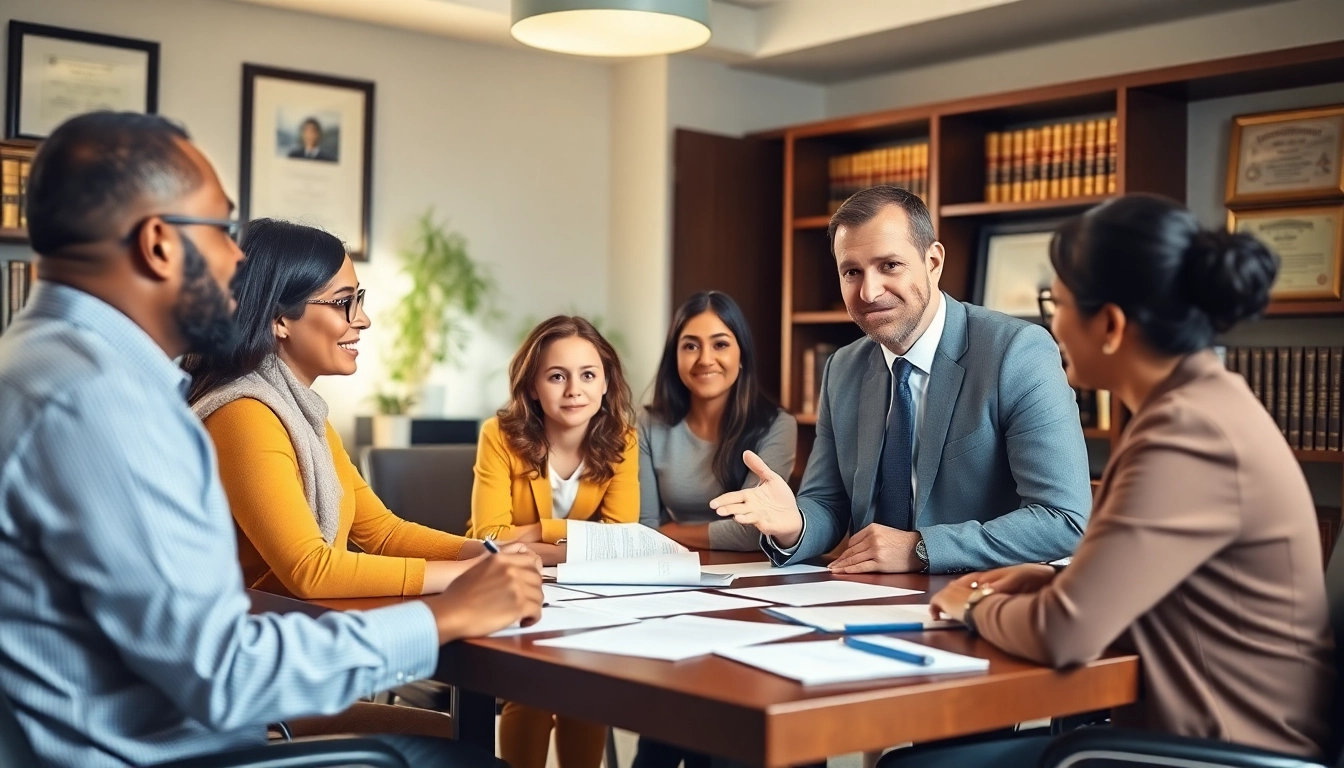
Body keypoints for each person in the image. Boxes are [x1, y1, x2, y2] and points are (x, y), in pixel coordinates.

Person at [0, 111, 542, 768]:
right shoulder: (101, 403)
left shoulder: (43, 365)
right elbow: (225, 673)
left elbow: (372, 533)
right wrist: (444, 616)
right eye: (224, 229)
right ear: (158, 242)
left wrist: (480, 564)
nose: (237, 259)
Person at [899, 194, 1336, 768]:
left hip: (1214, 753)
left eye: (1056, 301)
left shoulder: (1187, 433)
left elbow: (1064, 634)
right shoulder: (1199, 404)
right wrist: (1043, 583)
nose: (1049, 320)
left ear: (1109, 324)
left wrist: (972, 605)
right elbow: (1138, 588)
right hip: (1200, 735)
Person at [713, 184, 1091, 574]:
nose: (869, 291)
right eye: (852, 272)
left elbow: (1063, 519)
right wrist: (794, 525)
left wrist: (920, 549)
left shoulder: (1016, 352)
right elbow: (827, 503)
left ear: (933, 261)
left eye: (889, 265)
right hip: (862, 597)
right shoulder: (842, 368)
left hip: (979, 597)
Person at [182, 218, 497, 600]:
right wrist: (467, 574)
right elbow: (310, 571)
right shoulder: (243, 416)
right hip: (253, 641)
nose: (362, 319)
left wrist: (487, 554)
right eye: (344, 302)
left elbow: (382, 532)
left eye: (358, 300)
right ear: (279, 319)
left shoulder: (300, 413)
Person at [468, 315, 639, 768]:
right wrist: (585, 542)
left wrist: (540, 531)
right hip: (507, 586)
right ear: (531, 387)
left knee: (588, 685)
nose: (573, 390)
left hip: (586, 594)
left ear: (606, 383)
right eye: (557, 376)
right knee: (533, 688)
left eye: (588, 375)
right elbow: (489, 538)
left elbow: (623, 540)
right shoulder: (500, 436)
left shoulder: (622, 441)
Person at [639, 290, 795, 551]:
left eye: (720, 344)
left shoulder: (777, 426)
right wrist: (663, 533)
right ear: (674, 357)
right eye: (690, 346)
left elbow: (753, 531)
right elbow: (645, 526)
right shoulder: (649, 423)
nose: (705, 360)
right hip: (671, 565)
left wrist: (670, 531)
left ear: (742, 355)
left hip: (751, 572)